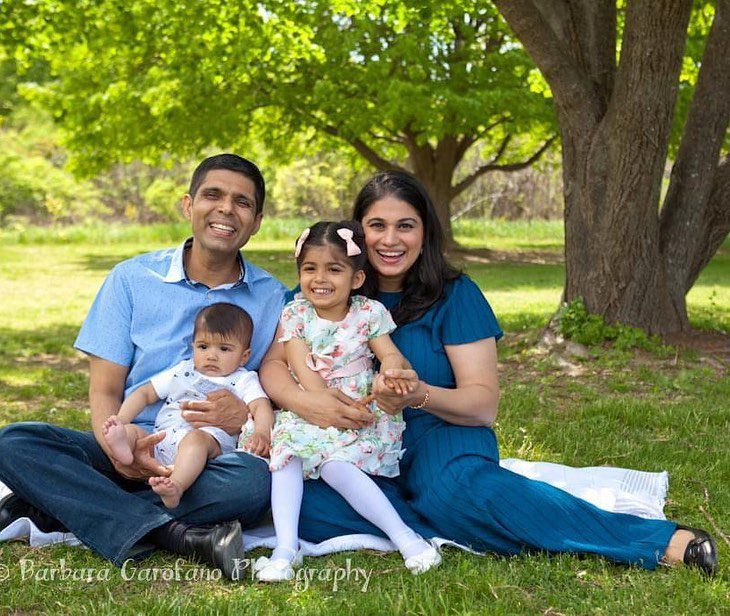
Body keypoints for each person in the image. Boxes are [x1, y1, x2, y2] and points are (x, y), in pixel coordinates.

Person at [259, 170, 718, 577]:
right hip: (350, 443)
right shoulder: (324, 286)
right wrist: (306, 402)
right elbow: (274, 366)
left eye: (406, 226)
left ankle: (656, 541)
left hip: (439, 433)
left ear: (426, 233)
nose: (390, 240)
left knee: (454, 493)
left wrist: (417, 394)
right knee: (304, 502)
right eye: (377, 225)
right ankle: (434, 518)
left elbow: (482, 406)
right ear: (357, 232)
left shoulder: (455, 296)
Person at [0, 154, 287, 579]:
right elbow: (105, 391)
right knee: (14, 441)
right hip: (129, 438)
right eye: (213, 195)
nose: (227, 208)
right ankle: (175, 535)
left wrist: (245, 416)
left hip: (205, 459)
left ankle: (60, 505)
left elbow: (279, 394)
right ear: (188, 205)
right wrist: (119, 451)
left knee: (252, 483)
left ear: (257, 220)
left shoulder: (274, 298)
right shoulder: (131, 279)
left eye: (242, 202)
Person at [247, 221, 440, 582]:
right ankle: (286, 548)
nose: (320, 278)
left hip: (357, 409)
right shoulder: (296, 313)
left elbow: (390, 355)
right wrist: (320, 406)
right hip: (309, 406)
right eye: (309, 268)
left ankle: (405, 537)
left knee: (337, 467)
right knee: (285, 455)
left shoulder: (368, 314)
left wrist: (393, 371)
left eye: (334, 269)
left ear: (355, 278)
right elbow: (301, 366)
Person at [102, 303, 274, 509]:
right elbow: (145, 393)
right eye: (203, 346)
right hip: (160, 440)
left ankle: (176, 486)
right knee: (133, 433)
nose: (212, 355)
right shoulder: (183, 370)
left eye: (224, 348)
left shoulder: (243, 379)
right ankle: (124, 449)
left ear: (244, 356)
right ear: (192, 347)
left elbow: (260, 405)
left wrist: (262, 432)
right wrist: (121, 420)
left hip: (206, 442)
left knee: (196, 440)